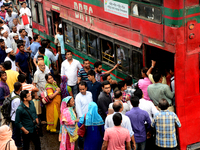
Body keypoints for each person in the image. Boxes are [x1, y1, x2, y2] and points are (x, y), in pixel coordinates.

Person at [10, 82, 22, 148]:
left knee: (16, 132)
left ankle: (18, 143)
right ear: (19, 88)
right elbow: (17, 110)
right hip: (15, 118)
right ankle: (15, 145)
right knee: (16, 133)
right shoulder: (17, 100)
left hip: (13, 116)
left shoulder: (13, 93)